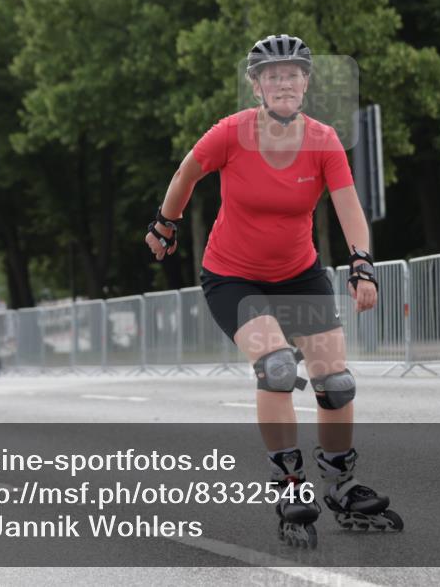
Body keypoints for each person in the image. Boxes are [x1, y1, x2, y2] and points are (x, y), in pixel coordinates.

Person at [145, 34, 401, 548]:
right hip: (233, 276)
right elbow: (185, 174)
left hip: (299, 273)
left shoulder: (324, 140)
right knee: (278, 367)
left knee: (336, 382)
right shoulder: (230, 134)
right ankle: (289, 484)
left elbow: (348, 205)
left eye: (293, 74)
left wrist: (361, 262)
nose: (283, 82)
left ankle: (340, 483)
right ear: (257, 85)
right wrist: (165, 223)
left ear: (306, 82)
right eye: (272, 75)